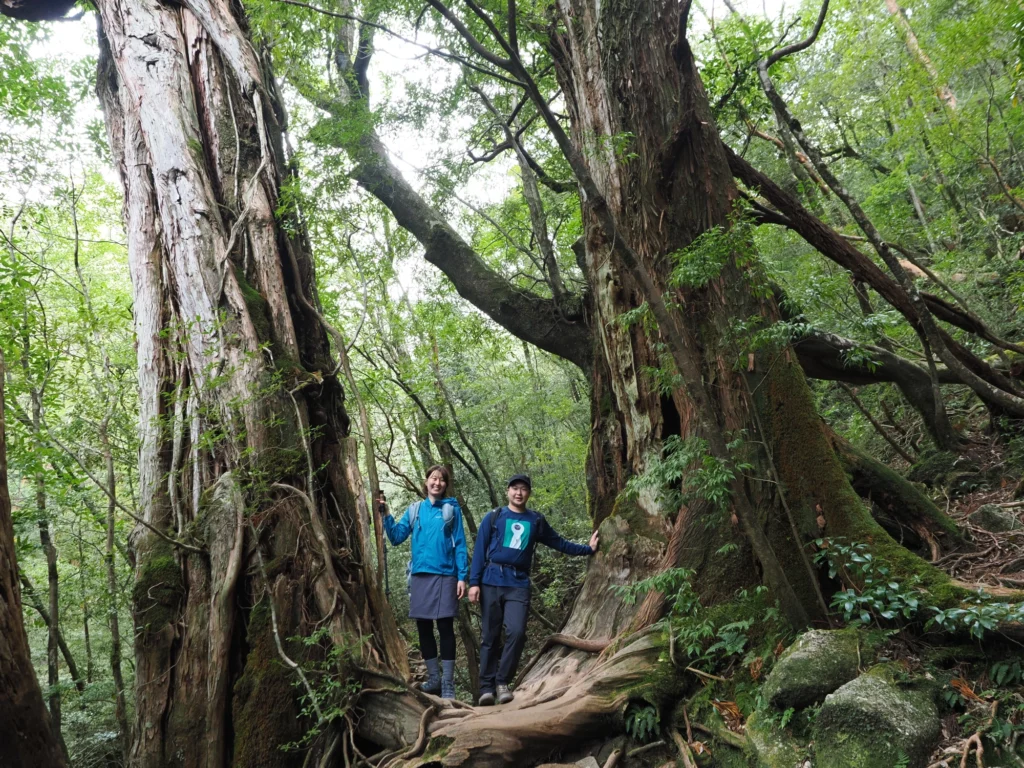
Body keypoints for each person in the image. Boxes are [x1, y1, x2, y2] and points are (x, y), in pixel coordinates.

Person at [468, 474, 599, 705]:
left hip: (518, 582)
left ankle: (502, 682)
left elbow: (558, 542)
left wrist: (586, 549)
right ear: (507, 491)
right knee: (489, 635)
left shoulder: (535, 520)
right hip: (491, 580)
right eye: (515, 488)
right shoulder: (494, 517)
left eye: (523, 489)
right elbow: (479, 551)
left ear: (529, 493)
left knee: (517, 632)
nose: (519, 493)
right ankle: (486, 688)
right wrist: (474, 583)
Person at [379, 465, 469, 699]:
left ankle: (449, 684)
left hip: (446, 574)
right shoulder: (415, 510)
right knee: (424, 628)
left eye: (441, 480)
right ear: (426, 481)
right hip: (419, 575)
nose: (436, 483)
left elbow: (460, 544)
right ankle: (434, 679)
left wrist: (462, 577)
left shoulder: (451, 510)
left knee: (446, 627)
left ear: (445, 485)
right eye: (433, 478)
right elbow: (397, 537)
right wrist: (386, 514)